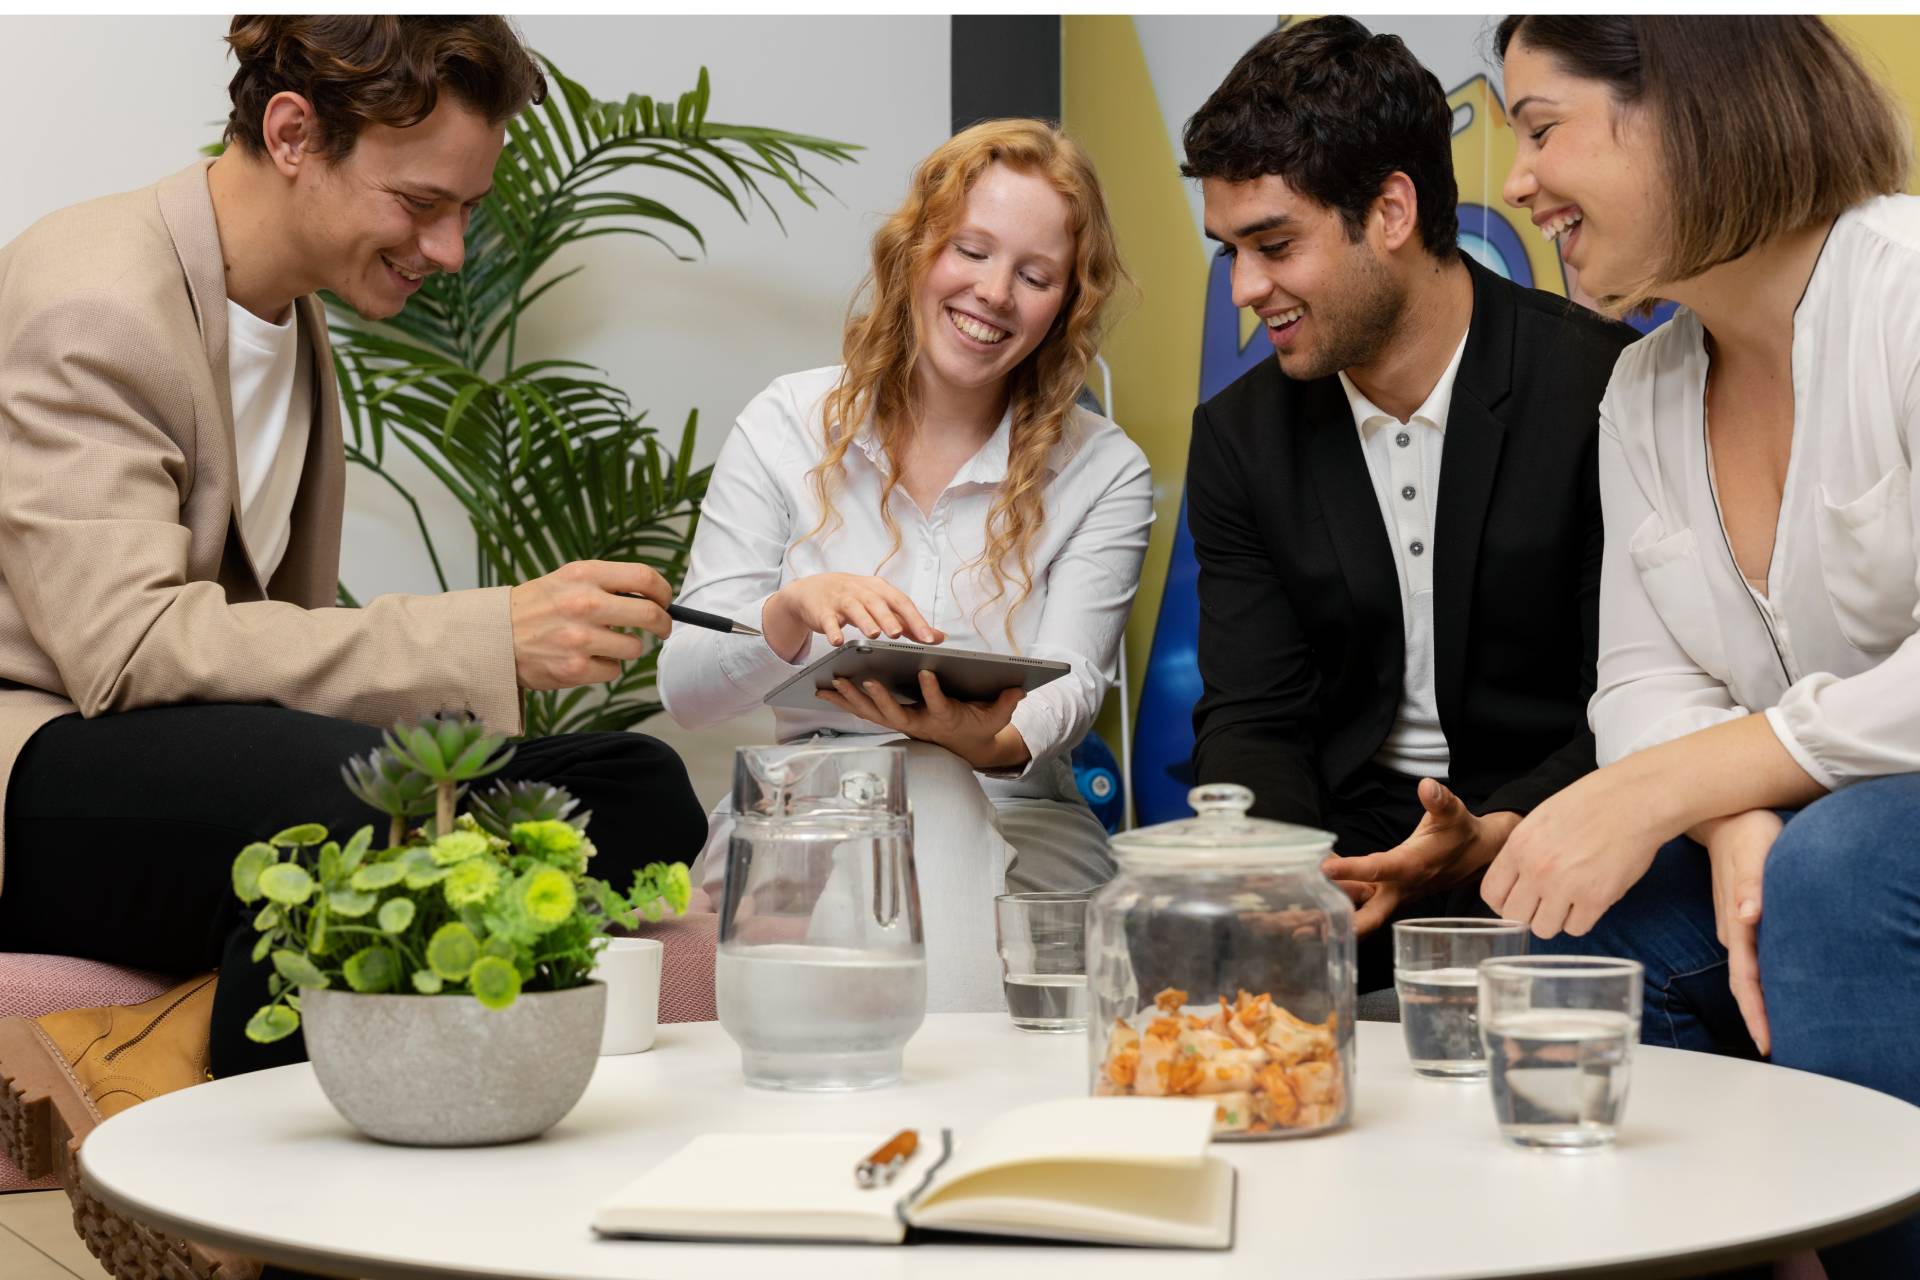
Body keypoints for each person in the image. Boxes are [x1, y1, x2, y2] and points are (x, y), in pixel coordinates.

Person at [0, 18, 706, 1279]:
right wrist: (484, 631)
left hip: (192, 749)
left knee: (638, 788)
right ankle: (249, 1221)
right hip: (48, 763)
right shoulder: (95, 286)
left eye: (466, 210)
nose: (450, 248)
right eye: (421, 203)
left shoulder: (290, 312)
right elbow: (124, 644)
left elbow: (258, 635)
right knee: (351, 807)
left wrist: (493, 656)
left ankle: (177, 1040)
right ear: (292, 136)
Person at [1490, 16, 1920, 1274]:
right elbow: (1641, 677)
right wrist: (1733, 811)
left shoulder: (1906, 290)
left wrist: (1707, 776)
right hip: (1820, 831)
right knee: (1563, 918)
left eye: (1542, 127)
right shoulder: (1644, 390)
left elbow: (1698, 747)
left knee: (1834, 871)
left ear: (1690, 101)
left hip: (1865, 858)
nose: (1516, 182)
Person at [1178, 16, 1636, 991]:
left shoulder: (1605, 389)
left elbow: (1638, 695)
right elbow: (1254, 713)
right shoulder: (1240, 436)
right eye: (1230, 253)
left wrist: (1497, 830)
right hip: (1347, 841)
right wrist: (1291, 880)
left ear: (1390, 210)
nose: (1244, 290)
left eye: (1273, 245)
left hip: (1556, 818)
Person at [658, 118, 1153, 1013]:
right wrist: (789, 615)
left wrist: (982, 743)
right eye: (970, 250)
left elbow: (1073, 686)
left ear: (1065, 305)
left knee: (930, 777)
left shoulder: (1104, 469)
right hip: (805, 814)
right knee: (903, 785)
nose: (994, 293)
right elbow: (688, 691)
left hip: (1018, 815)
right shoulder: (785, 423)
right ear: (917, 248)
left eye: (1034, 276)